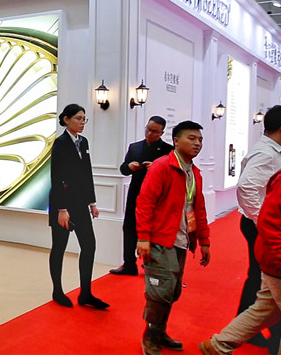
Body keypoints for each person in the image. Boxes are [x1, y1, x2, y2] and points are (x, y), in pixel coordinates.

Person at [136, 120, 211, 355]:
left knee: (172, 292)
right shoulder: (161, 167)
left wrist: (204, 241)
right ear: (176, 141)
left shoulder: (194, 172)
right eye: (192, 138)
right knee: (160, 292)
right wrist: (143, 237)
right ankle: (150, 336)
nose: (197, 143)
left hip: (181, 240)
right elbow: (144, 203)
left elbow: (198, 209)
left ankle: (159, 331)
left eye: (200, 140)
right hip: (160, 240)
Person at [199, 167, 281, 355]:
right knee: (266, 307)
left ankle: (218, 345)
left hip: (273, 257)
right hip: (276, 259)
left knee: (267, 308)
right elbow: (269, 220)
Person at [229, 105, 281, 351]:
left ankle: (248, 327)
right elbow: (246, 187)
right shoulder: (267, 153)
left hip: (260, 223)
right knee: (266, 277)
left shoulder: (271, 150)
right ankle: (255, 329)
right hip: (259, 224)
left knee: (259, 276)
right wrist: (264, 221)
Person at [48, 104, 108, 310]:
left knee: (89, 246)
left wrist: (92, 203)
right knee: (59, 247)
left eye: (84, 119)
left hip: (81, 204)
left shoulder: (83, 142)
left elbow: (86, 174)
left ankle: (86, 293)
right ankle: (57, 291)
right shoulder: (60, 143)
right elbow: (57, 177)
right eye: (78, 118)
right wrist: (61, 209)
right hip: (63, 206)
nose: (82, 123)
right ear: (66, 119)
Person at [111, 116, 173, 276]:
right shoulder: (135, 147)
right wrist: (129, 166)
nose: (150, 133)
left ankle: (152, 264)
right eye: (148, 129)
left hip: (157, 196)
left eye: (155, 131)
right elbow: (123, 169)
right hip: (135, 193)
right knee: (129, 228)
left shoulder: (168, 150)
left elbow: (173, 175)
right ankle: (129, 265)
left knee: (154, 230)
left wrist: (157, 168)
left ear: (162, 133)